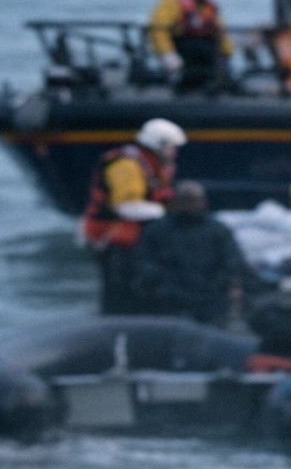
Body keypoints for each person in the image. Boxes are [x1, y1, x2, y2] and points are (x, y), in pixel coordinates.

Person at [82, 117, 184, 314]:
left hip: (138, 243)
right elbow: (126, 207)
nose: (174, 152)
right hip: (117, 241)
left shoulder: (149, 164)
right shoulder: (126, 165)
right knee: (121, 294)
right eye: (172, 146)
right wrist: (168, 212)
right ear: (159, 144)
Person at [132, 181, 248, 326]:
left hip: (210, 301)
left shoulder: (218, 231)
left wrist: (217, 285)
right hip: (168, 302)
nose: (189, 205)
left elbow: (233, 262)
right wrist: (164, 287)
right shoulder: (157, 231)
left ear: (203, 201)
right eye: (184, 200)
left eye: (194, 200)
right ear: (175, 201)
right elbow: (144, 262)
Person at [147, 0, 234, 93]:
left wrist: (228, 51)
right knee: (196, 65)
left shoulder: (208, 6)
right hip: (184, 46)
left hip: (207, 49)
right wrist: (167, 53)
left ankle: (217, 87)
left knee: (217, 62)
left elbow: (220, 30)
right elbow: (158, 29)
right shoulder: (171, 2)